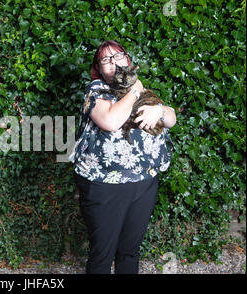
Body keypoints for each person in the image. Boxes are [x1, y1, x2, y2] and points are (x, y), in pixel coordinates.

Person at [71, 40, 176, 274]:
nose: (114, 62)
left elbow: (171, 118)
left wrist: (160, 110)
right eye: (106, 59)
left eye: (118, 56)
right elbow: (110, 121)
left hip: (144, 182)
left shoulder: (140, 90)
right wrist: (135, 90)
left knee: (129, 251)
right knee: (102, 254)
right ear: (99, 68)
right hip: (105, 185)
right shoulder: (95, 91)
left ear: (127, 61)